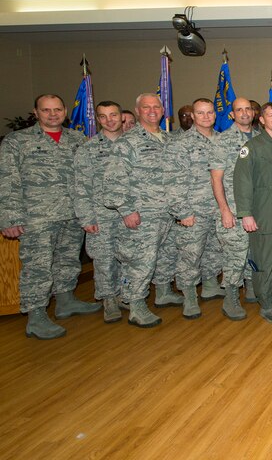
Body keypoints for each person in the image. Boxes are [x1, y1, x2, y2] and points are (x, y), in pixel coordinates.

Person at [0, 94, 94, 339]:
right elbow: (7, 181)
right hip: (36, 217)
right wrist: (9, 217)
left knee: (68, 260)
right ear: (36, 112)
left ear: (65, 111)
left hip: (72, 214)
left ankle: (66, 301)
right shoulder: (17, 141)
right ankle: (36, 316)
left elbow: (86, 178)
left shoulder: (77, 139)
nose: (52, 114)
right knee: (37, 268)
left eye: (57, 109)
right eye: (46, 110)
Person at [104, 93, 180, 328]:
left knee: (164, 257)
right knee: (141, 260)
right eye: (146, 107)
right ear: (137, 111)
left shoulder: (168, 140)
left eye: (156, 106)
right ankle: (135, 305)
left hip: (168, 213)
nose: (151, 111)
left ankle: (163, 292)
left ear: (163, 109)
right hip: (142, 214)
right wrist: (126, 210)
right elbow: (113, 181)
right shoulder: (128, 142)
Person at [233, 102, 272, 323]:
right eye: (270, 115)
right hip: (264, 210)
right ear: (261, 119)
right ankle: (266, 303)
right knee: (266, 258)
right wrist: (245, 213)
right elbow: (242, 182)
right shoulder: (252, 147)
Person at [167, 98, 223, 320]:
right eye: (200, 113)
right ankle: (189, 296)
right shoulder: (180, 144)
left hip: (218, 208)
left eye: (210, 112)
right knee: (190, 255)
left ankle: (210, 285)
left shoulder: (221, 141)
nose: (206, 116)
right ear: (193, 116)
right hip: (193, 210)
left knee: (214, 251)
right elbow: (173, 181)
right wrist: (183, 212)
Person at [71, 100, 125, 323]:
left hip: (129, 214)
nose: (109, 120)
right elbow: (80, 186)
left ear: (122, 117)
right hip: (100, 214)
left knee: (127, 257)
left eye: (113, 115)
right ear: (98, 120)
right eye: (103, 116)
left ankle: (123, 293)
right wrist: (86, 217)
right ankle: (108, 299)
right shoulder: (88, 149)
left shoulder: (132, 144)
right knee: (104, 259)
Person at [209, 97, 256, 320]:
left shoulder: (259, 137)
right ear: (232, 114)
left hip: (257, 208)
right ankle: (231, 298)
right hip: (234, 209)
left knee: (252, 252)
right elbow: (216, 179)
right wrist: (225, 210)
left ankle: (251, 289)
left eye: (248, 109)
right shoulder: (223, 141)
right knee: (235, 255)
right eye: (239, 110)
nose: (244, 113)